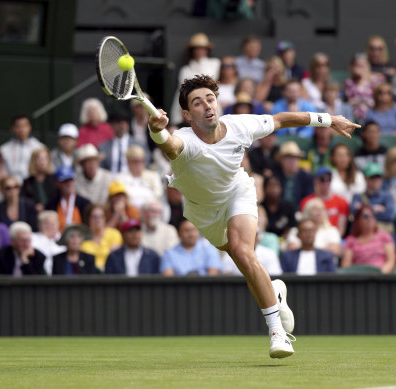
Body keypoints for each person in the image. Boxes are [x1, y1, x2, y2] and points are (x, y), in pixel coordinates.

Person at [147, 74, 360, 358]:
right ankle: (275, 292)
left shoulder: (240, 125)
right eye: (197, 103)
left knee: (242, 251)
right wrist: (157, 132)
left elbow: (282, 119)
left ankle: (278, 333)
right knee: (244, 263)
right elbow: (170, 147)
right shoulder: (184, 140)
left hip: (238, 193)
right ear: (187, 114)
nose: (207, 106)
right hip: (203, 211)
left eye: (210, 99)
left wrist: (328, 119)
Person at [169, 32, 221, 125]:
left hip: (210, 104)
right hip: (192, 107)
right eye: (197, 48)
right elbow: (180, 91)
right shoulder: (185, 69)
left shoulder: (215, 63)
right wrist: (181, 110)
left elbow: (208, 79)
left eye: (203, 48)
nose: (200, 51)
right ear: (192, 50)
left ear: (207, 50)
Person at [341, 205, 396, 274]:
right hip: (359, 279)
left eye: (372, 215)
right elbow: (346, 266)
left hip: (381, 278)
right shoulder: (350, 240)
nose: (370, 218)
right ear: (358, 219)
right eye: (365, 216)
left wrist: (379, 274)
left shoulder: (384, 236)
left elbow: (391, 261)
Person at [299, 166, 350, 237]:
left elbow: (341, 230)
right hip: (310, 237)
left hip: (333, 237)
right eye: (322, 179)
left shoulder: (342, 202)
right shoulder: (306, 202)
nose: (326, 182)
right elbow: (304, 224)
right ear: (315, 181)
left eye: (329, 179)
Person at [0, 114, 45, 183]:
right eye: (18, 126)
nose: (22, 129)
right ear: (12, 128)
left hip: (34, 185)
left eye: (25, 126)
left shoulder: (39, 147)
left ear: (30, 127)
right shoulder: (4, 149)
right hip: (12, 186)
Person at [115, 144, 164, 209]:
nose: (139, 164)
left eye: (141, 160)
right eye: (135, 161)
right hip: (129, 211)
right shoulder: (120, 178)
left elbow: (158, 195)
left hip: (149, 211)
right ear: (128, 162)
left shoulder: (153, 176)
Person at [352, 162, 396, 231]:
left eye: (378, 177)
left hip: (383, 234)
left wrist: (364, 210)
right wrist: (373, 208)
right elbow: (354, 213)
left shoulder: (387, 196)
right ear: (365, 179)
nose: (376, 180)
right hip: (363, 235)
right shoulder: (358, 196)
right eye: (372, 177)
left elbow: (389, 215)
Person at [46, 165, 91, 231]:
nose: (69, 184)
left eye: (71, 180)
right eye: (65, 181)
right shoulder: (51, 205)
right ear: (57, 183)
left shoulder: (85, 204)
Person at [80, 204, 122, 272]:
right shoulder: (82, 237)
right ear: (88, 219)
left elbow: (116, 257)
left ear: (105, 218)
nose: (97, 219)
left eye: (101, 216)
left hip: (110, 273)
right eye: (94, 217)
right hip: (88, 274)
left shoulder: (114, 234)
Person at [343, 53, 382, 122]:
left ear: (368, 66)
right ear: (352, 67)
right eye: (357, 65)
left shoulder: (375, 80)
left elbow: (379, 101)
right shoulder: (349, 82)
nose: (360, 68)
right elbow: (350, 102)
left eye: (363, 65)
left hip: (374, 116)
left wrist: (360, 101)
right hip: (354, 118)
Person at [274, 141, 314, 208]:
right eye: (288, 158)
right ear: (281, 160)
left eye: (295, 158)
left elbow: (309, 200)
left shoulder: (307, 178)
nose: (292, 161)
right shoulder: (275, 177)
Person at [22, 147, 57, 213]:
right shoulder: (27, 183)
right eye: (39, 159)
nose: (42, 162)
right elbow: (25, 201)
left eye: (45, 159)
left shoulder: (55, 180)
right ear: (33, 161)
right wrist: (34, 206)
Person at [31, 210, 66, 276]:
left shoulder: (64, 239)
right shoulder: (33, 238)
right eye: (46, 223)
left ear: (58, 224)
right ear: (39, 225)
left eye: (53, 223)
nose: (51, 226)